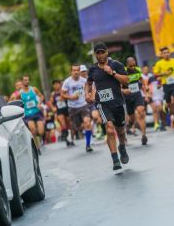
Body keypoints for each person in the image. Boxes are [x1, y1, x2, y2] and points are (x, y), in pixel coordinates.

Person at [85, 42, 129, 171]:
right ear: (95, 55)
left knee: (120, 131)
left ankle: (122, 147)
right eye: (98, 53)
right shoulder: (93, 69)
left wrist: (113, 73)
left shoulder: (116, 65)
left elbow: (127, 81)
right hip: (103, 104)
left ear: (107, 52)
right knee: (109, 129)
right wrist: (87, 94)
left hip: (118, 103)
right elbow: (88, 82)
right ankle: (115, 158)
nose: (100, 55)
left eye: (102, 52)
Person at [62, 65, 93, 152]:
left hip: (83, 105)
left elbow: (89, 90)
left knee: (87, 122)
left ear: (79, 71)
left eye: (77, 70)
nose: (76, 72)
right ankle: (81, 131)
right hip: (73, 108)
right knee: (78, 127)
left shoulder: (84, 81)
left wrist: (89, 95)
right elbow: (62, 94)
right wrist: (71, 97)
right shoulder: (67, 82)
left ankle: (88, 145)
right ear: (71, 72)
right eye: (74, 70)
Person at [154, 47, 174, 129]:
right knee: (170, 105)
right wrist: (164, 73)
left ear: (170, 53)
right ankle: (172, 113)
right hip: (166, 86)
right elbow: (156, 74)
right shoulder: (159, 63)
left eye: (167, 52)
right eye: (164, 53)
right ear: (162, 55)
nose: (166, 54)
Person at [14, 75, 45, 154]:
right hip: (28, 115)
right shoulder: (19, 93)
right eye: (25, 80)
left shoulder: (33, 89)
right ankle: (37, 148)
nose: (27, 82)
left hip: (37, 112)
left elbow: (41, 96)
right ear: (22, 82)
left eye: (28, 80)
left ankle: (38, 139)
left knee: (41, 132)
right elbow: (16, 103)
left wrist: (39, 103)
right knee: (33, 131)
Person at [122, 57, 148, 145]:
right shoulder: (123, 71)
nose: (133, 67)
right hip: (128, 97)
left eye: (134, 65)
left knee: (141, 112)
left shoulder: (137, 70)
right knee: (132, 120)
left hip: (137, 94)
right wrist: (123, 90)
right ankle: (127, 127)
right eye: (131, 66)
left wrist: (145, 86)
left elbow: (141, 78)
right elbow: (118, 85)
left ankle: (144, 136)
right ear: (127, 65)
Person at [50, 80, 74, 146]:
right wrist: (53, 108)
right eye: (54, 85)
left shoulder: (64, 91)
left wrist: (64, 97)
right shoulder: (53, 94)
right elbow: (51, 102)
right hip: (59, 110)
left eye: (57, 84)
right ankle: (66, 138)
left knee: (69, 124)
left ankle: (70, 138)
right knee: (63, 124)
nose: (56, 85)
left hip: (66, 109)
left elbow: (69, 97)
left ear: (60, 84)